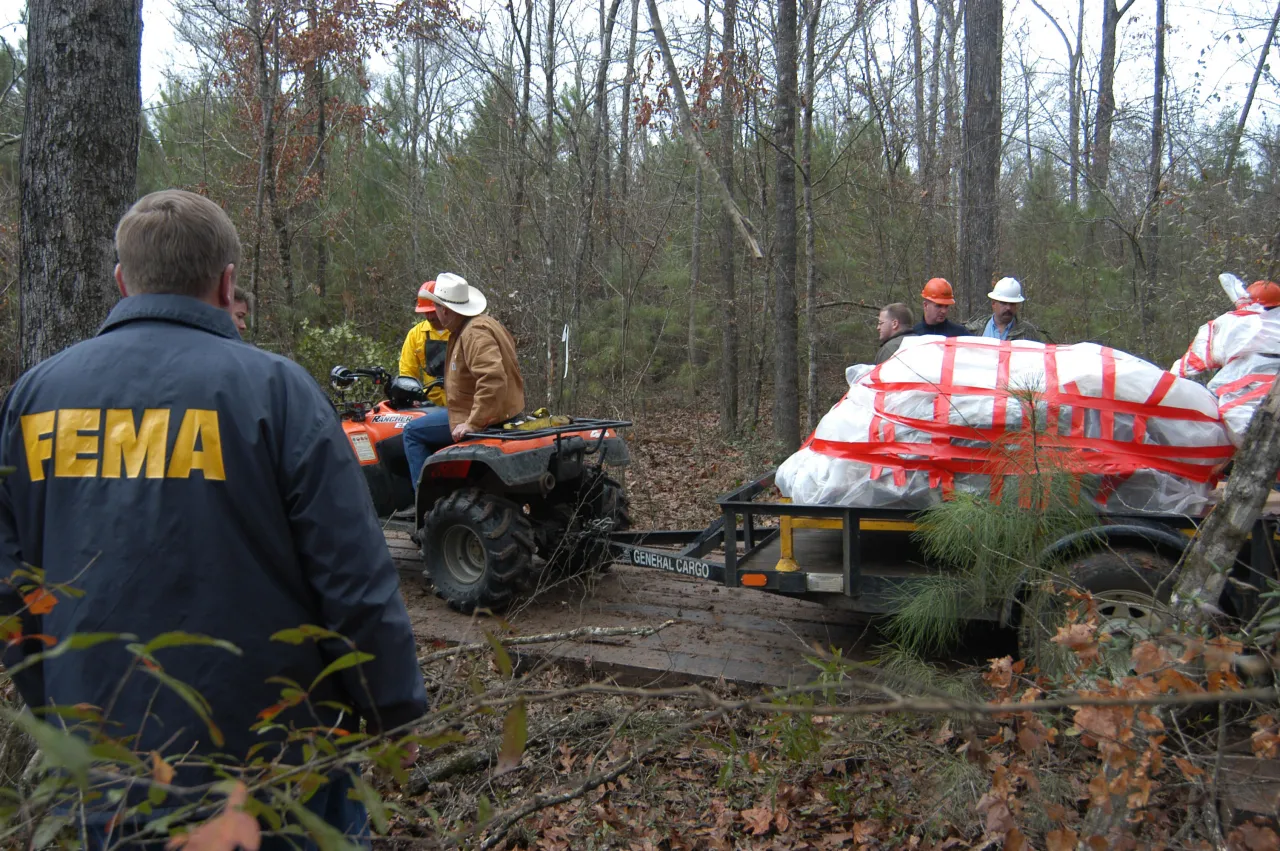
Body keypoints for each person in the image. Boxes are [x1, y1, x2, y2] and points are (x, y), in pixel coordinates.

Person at [0, 189, 427, 847]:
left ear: (123, 279)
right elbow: (354, 578)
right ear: (228, 281)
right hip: (271, 772)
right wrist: (388, 711)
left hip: (107, 768)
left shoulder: (36, 398)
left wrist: (57, 709)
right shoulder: (277, 392)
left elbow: (13, 589)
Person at [403, 272, 525, 487]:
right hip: (500, 411)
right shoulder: (482, 324)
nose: (432, 315)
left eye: (436, 308)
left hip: (487, 418)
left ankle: (424, 505)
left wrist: (472, 423)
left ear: (446, 310)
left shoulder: (473, 333)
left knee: (412, 432)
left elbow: (493, 379)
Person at [398, 280, 451, 407]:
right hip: (429, 403)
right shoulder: (415, 334)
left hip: (460, 402)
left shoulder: (460, 330)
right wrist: (411, 396)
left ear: (443, 307)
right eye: (425, 312)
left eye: (432, 311)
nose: (429, 316)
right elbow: (407, 372)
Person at [966, 276, 1045, 342]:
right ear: (993, 303)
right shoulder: (974, 330)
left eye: (1012, 304)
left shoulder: (1028, 332)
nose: (1008, 308)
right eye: (1003, 303)